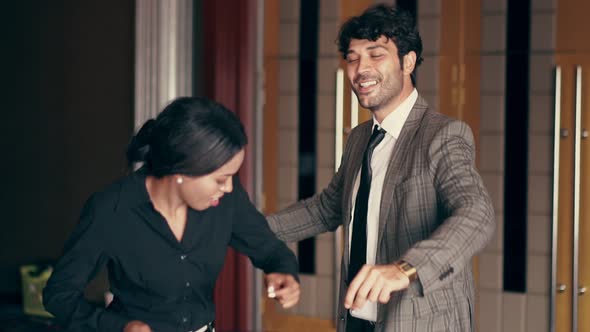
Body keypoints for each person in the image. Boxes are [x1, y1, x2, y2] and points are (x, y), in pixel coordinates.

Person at [267, 4, 495, 332]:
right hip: (358, 320)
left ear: (408, 61)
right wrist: (247, 230)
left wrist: (406, 269)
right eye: (352, 57)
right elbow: (326, 209)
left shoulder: (442, 135)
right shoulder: (361, 137)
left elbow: (477, 214)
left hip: (420, 322)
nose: (361, 69)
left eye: (376, 55)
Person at [43, 97, 300, 332]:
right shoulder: (112, 209)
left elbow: (269, 249)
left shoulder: (226, 200)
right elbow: (59, 295)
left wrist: (284, 273)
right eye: (221, 179)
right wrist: (119, 326)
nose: (230, 187)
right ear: (181, 173)